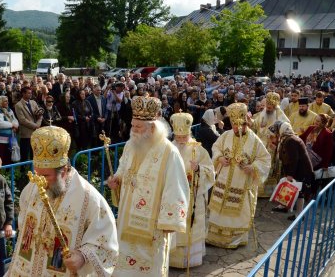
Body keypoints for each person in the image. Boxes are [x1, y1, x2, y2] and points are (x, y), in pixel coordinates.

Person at [6, 126, 119, 276]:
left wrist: (82, 256)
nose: (39, 181)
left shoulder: (89, 199)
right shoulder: (31, 189)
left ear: (64, 171)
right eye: (36, 173)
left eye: (46, 176)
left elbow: (106, 244)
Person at [107, 96, 189, 276]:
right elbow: (123, 167)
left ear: (152, 128)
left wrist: (169, 220)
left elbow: (177, 187)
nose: (134, 131)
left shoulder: (169, 153)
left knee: (149, 266)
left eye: (138, 127)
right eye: (133, 126)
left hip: (153, 227)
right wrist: (117, 179)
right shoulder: (131, 145)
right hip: (127, 218)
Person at [207, 103, 271, 249]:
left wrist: (252, 167)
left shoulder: (254, 140)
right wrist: (219, 158)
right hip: (223, 180)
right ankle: (214, 237)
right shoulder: (226, 135)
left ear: (245, 123)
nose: (236, 128)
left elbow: (265, 159)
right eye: (234, 125)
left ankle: (234, 239)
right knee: (219, 209)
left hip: (241, 182)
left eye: (239, 125)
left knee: (236, 211)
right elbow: (216, 148)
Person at [169, 113, 215, 268]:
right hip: (172, 197)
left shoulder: (198, 149)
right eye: (178, 137)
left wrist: (199, 169)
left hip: (192, 196)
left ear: (189, 133)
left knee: (191, 227)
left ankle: (190, 259)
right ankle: (171, 259)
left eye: (184, 137)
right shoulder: (168, 149)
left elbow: (210, 172)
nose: (181, 140)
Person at [268, 121, 314, 221]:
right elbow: (287, 153)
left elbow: (294, 159)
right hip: (299, 169)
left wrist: (290, 174)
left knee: (299, 192)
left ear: (281, 130)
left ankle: (299, 215)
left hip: (301, 170)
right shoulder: (289, 138)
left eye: (276, 131)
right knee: (293, 189)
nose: (276, 134)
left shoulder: (291, 140)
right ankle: (285, 207)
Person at [248, 92, 289, 197]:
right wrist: (249, 121)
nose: (268, 109)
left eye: (270, 107)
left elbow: (287, 130)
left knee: (268, 167)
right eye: (267, 106)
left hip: (272, 146)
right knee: (260, 165)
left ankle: (268, 191)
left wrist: (276, 139)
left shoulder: (280, 115)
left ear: (275, 105)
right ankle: (258, 189)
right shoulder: (264, 113)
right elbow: (255, 124)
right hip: (260, 144)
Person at [15, 87, 43, 162]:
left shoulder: (33, 102)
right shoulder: (18, 105)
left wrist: (38, 124)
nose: (30, 94)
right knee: (24, 153)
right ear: (23, 94)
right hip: (26, 133)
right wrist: (36, 126)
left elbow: (40, 114)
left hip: (36, 132)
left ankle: (34, 169)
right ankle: (23, 170)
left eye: (31, 93)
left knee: (34, 153)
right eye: (28, 93)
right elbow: (22, 120)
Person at [0, 96, 19, 166]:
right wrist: (12, 125)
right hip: (0, 140)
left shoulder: (9, 110)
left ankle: (9, 173)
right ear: (0, 102)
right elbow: (0, 123)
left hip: (11, 138)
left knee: (9, 158)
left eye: (7, 101)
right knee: (0, 158)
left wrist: (15, 125)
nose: (7, 102)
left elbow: (15, 120)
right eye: (5, 101)